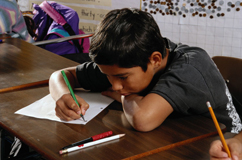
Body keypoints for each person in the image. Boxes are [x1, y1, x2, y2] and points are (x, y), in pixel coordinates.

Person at [49, 8, 242, 133]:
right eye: (107, 76)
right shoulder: (123, 62)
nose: (115, 85)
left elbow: (142, 120)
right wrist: (63, 96)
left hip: (221, 146)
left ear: (155, 59)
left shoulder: (190, 67)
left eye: (121, 78)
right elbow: (62, 75)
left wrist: (125, 97)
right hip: (171, 136)